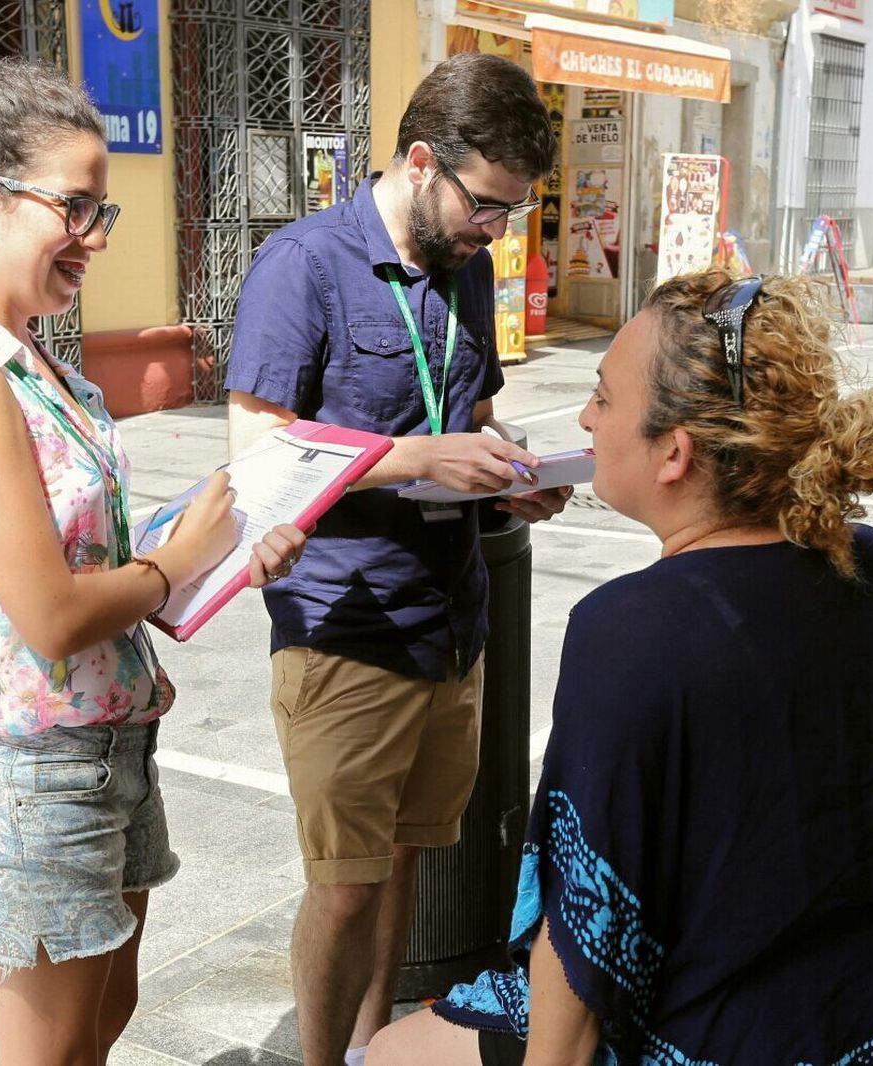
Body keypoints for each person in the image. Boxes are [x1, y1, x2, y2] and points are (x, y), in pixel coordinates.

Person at [366, 270, 873, 1066]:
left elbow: (589, 928)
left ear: (674, 453)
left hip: (732, 1034)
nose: (584, 418)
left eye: (603, 400)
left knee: (390, 1054)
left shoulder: (631, 628)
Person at [0, 36, 306, 1066]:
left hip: (106, 751)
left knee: (98, 1031)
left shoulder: (33, 366)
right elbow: (53, 613)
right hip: (32, 779)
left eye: (97, 211)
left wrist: (221, 544)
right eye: (74, 207)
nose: (94, 236)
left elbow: (84, 553)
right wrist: (173, 559)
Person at [224, 53, 569, 1066]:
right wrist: (415, 457)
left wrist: (512, 473)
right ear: (422, 161)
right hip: (346, 627)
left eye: (512, 211)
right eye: (487, 205)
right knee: (343, 884)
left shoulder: (470, 266)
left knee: (410, 863)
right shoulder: (304, 266)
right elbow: (257, 458)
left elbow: (475, 409)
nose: (495, 230)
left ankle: (373, 1047)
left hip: (451, 625)